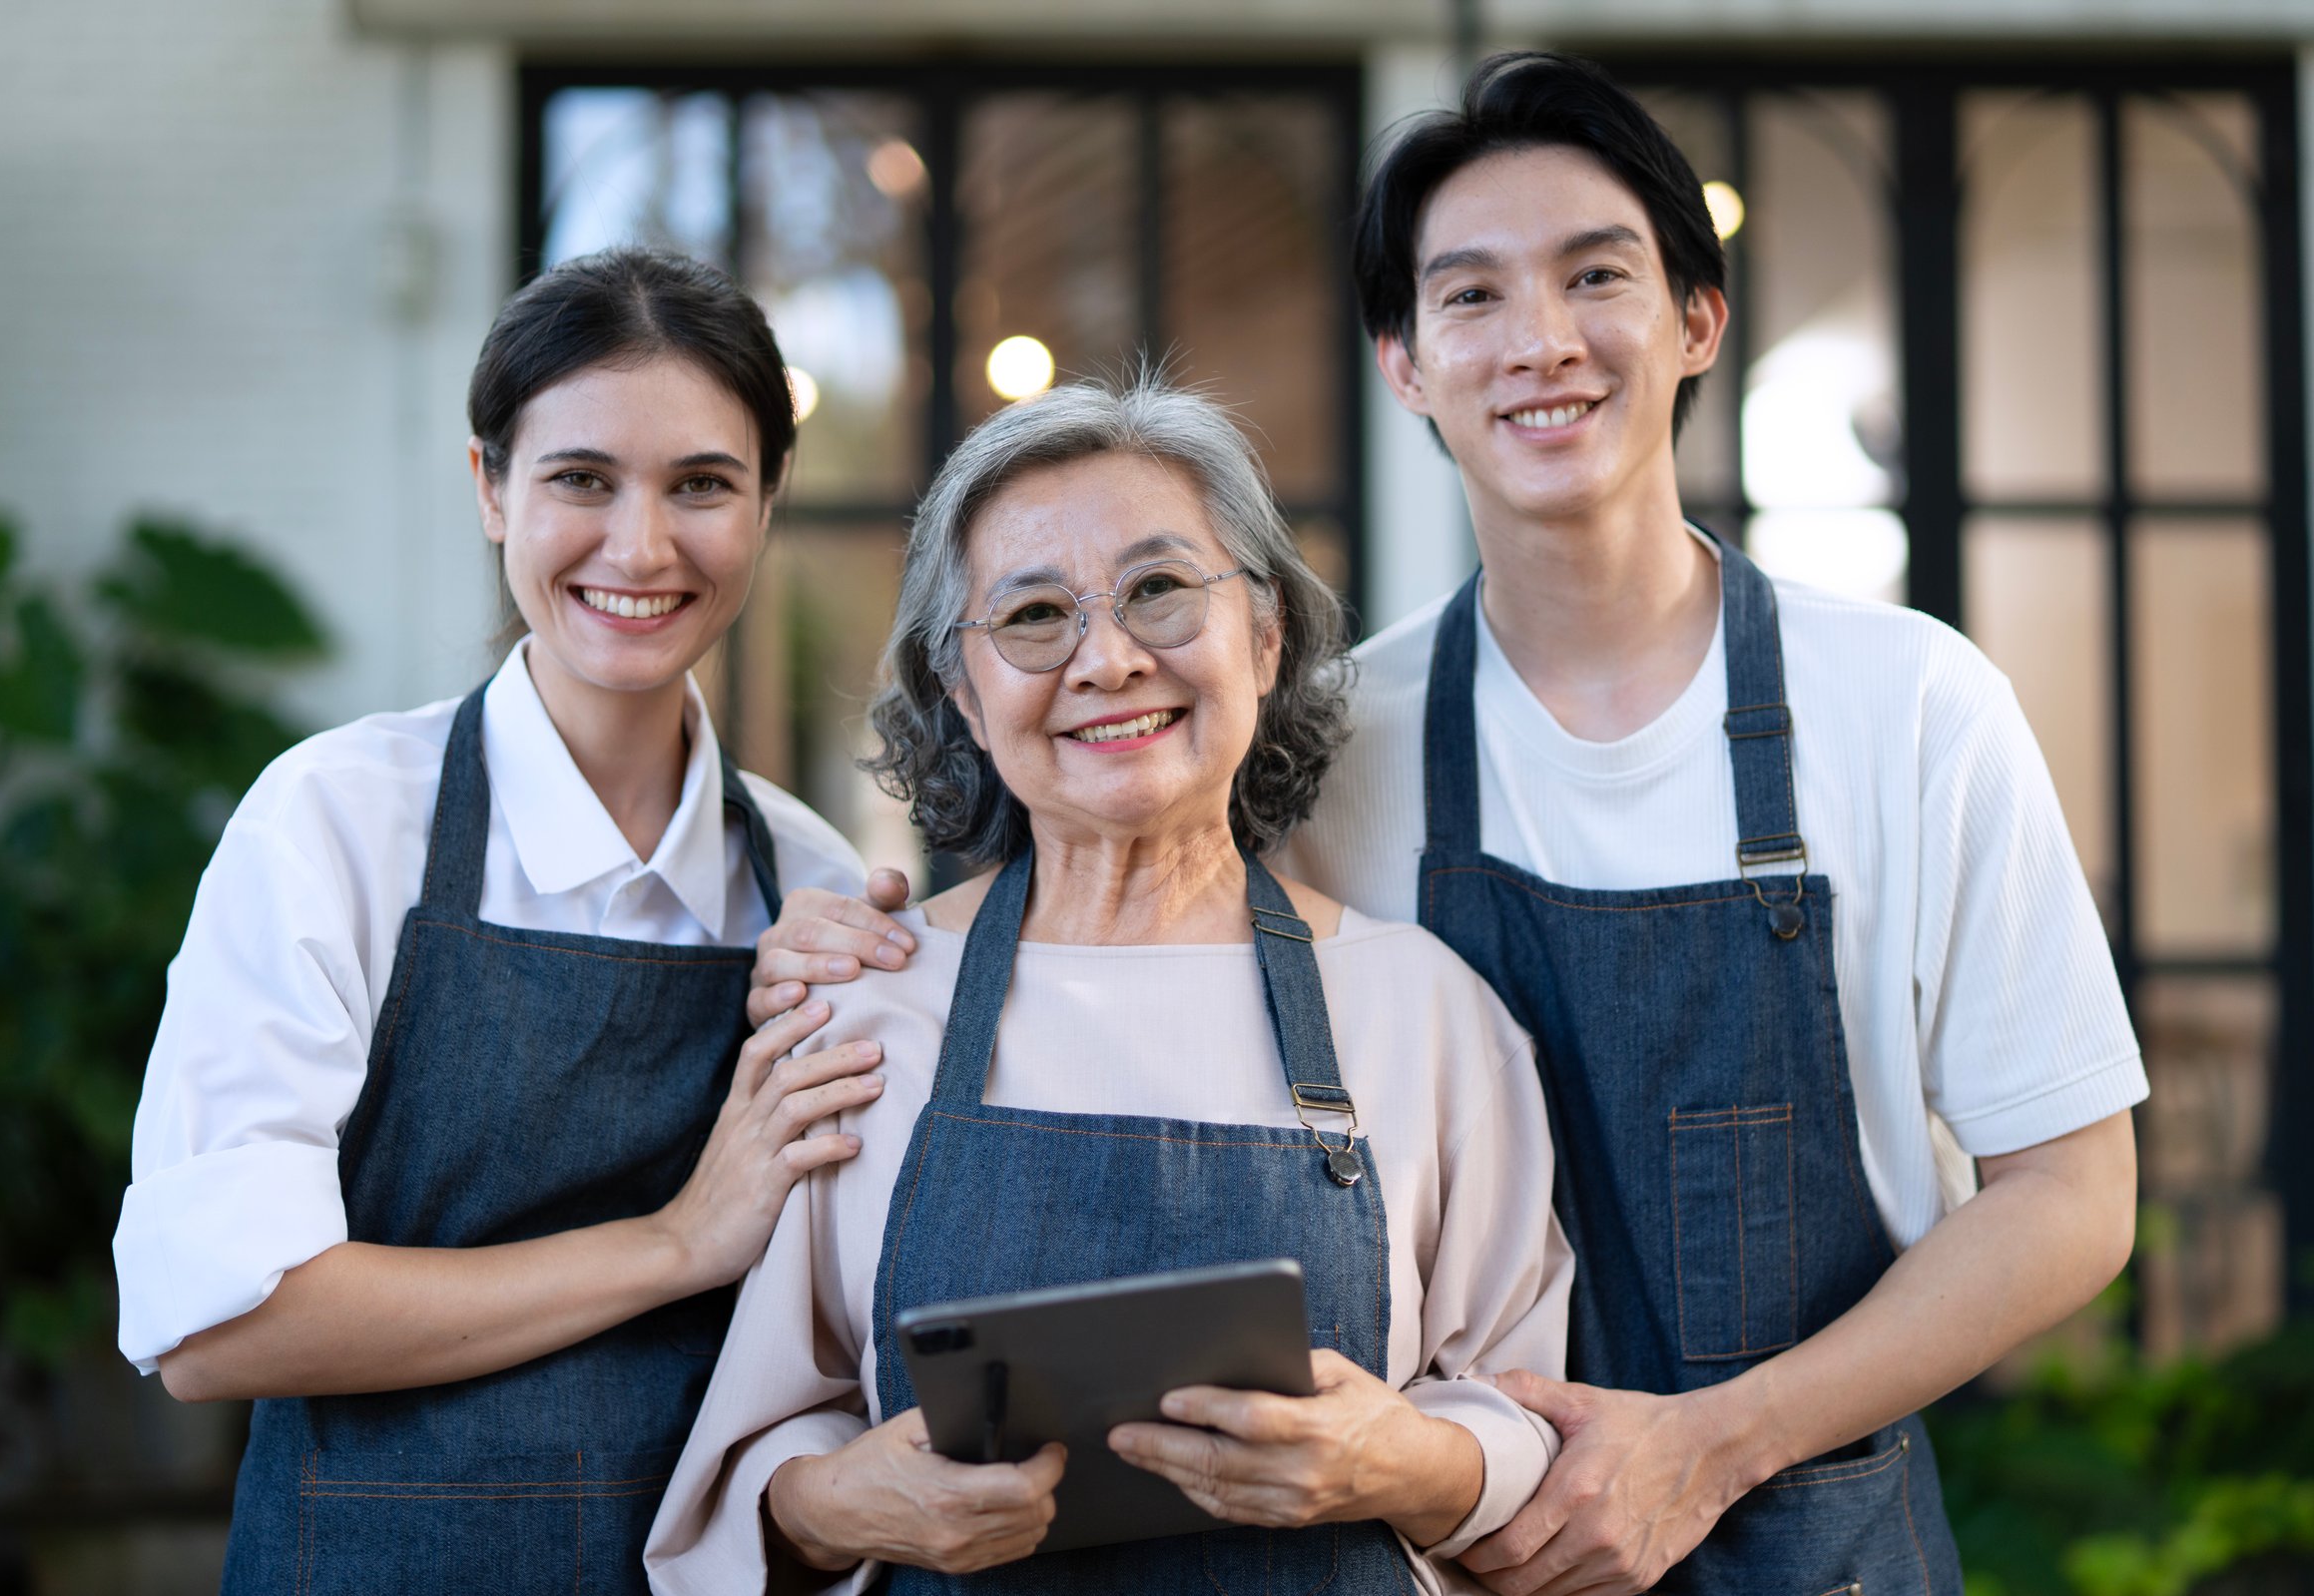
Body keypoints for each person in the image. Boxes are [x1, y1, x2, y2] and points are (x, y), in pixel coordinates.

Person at [749, 54, 2144, 1596]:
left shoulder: (1910, 703)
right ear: (1404, 362)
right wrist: (862, 933)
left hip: (1816, 1540)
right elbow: (1161, 986)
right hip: (1477, 1552)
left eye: (1596, 273)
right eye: (1471, 295)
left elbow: (2072, 1197)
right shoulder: (1337, 739)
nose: (1541, 340)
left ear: (1698, 318)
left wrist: (1715, 1441)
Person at [642, 378, 1573, 1593]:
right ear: (966, 698)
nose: (1109, 659)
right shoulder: (866, 1011)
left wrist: (1404, 1464)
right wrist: (840, 1501)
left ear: (1267, 635)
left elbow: (1523, 1419)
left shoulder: (1424, 1011)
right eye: (1034, 616)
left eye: (1160, 590)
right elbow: (760, 1464)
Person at [113, 248, 901, 1595]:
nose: (641, 546)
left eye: (702, 484)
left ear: (767, 505)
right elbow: (220, 1325)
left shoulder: (812, 885)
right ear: (489, 489)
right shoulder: (340, 825)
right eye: (580, 478)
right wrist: (672, 1242)